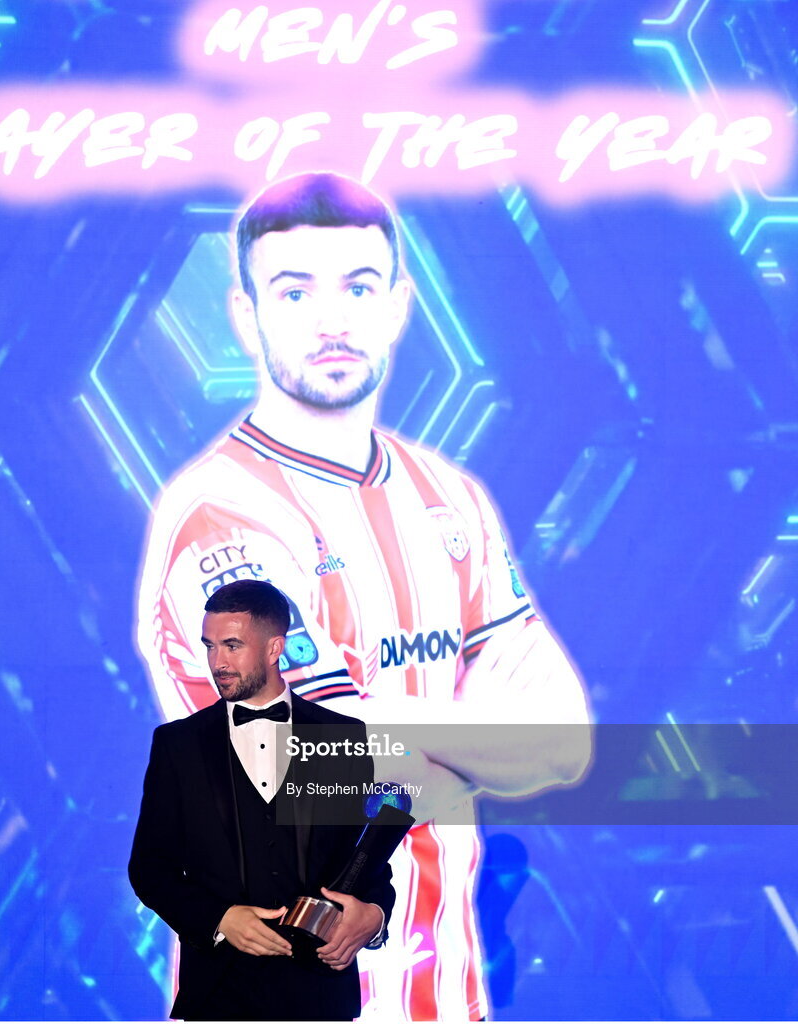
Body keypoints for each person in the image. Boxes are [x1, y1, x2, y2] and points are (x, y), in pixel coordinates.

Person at [136, 172, 592, 1020]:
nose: (332, 317)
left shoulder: (450, 497)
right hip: (284, 992)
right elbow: (325, 762)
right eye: (294, 289)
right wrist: (471, 744)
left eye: (358, 285)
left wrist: (417, 746)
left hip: (449, 997)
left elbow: (562, 737)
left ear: (398, 305)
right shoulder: (224, 516)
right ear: (246, 315)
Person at [128, 579, 395, 1021]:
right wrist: (220, 919)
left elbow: (362, 860)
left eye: (232, 646)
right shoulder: (177, 745)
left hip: (321, 996)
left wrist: (374, 916)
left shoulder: (342, 737)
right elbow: (150, 869)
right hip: (217, 996)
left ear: (275, 648)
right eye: (210, 646)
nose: (218, 662)